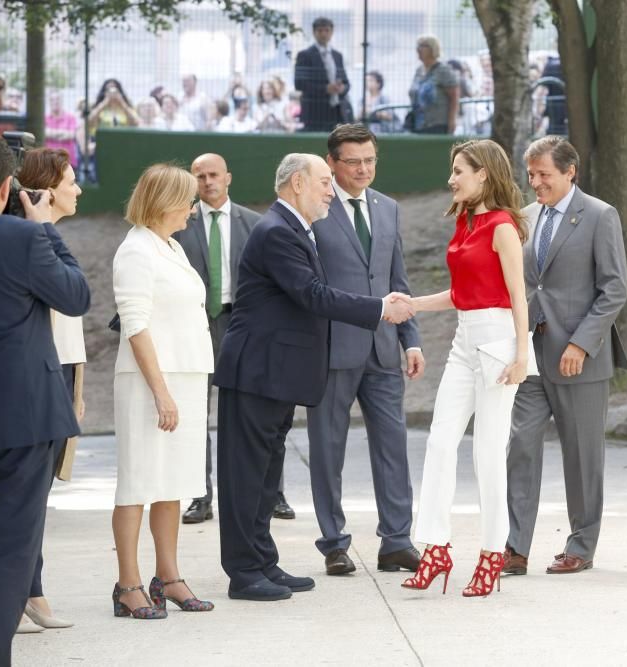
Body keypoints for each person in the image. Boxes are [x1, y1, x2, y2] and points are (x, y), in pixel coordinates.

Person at [212, 153, 414, 601]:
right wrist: (379, 308)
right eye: (324, 182)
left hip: (276, 375)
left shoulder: (292, 228)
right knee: (246, 476)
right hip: (257, 372)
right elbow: (312, 295)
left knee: (265, 476)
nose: (331, 190)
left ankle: (263, 561)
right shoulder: (276, 231)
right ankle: (244, 572)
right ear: (298, 183)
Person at [0, 132, 90, 665]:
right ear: (6, 186)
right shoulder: (21, 239)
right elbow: (75, 296)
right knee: (7, 553)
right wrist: (43, 230)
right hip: (18, 418)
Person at [402, 139, 530, 598]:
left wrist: (522, 357)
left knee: (487, 454)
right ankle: (436, 547)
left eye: (459, 171)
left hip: (499, 341)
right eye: (453, 170)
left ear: (484, 175)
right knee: (439, 443)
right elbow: (460, 294)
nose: (452, 178)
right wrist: (411, 304)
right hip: (464, 338)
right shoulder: (463, 221)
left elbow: (518, 295)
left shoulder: (502, 227)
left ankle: (493, 553)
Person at [501, 136, 627, 577]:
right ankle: (515, 546)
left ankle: (581, 545)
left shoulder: (599, 215)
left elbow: (614, 289)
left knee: (582, 456)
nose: (535, 183)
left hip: (580, 358)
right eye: (531, 174)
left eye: (544, 175)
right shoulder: (525, 217)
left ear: (570, 171)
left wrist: (581, 343)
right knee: (519, 447)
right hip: (532, 356)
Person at [307, 124, 424, 576]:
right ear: (332, 162)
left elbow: (399, 282)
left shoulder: (388, 208)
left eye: (370, 159)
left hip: (383, 350)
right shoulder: (317, 207)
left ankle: (396, 540)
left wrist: (410, 340)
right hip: (332, 348)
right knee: (327, 448)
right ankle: (334, 543)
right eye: (353, 161)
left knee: (393, 446)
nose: (363, 168)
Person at [111, 164, 216, 619]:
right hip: (150, 382)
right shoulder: (135, 250)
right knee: (138, 482)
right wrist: (160, 392)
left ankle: (168, 577)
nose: (194, 208)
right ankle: (128, 584)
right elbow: (136, 325)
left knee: (172, 482)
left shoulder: (169, 246)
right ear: (165, 202)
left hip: (186, 377)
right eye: (187, 200)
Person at [12, 148, 85, 633]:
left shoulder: (49, 237)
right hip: (39, 375)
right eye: (72, 180)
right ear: (46, 190)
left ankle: (30, 591)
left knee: (38, 497)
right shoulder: (29, 240)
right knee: (23, 494)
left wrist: (77, 387)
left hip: (62, 370)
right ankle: (19, 593)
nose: (78, 188)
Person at [170, 154, 259, 525]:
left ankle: (268, 495)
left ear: (228, 177)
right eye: (200, 176)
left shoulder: (253, 223)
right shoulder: (179, 224)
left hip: (241, 326)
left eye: (214, 175)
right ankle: (200, 496)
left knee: (253, 414)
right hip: (197, 327)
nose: (208, 182)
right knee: (194, 414)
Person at [294, 17, 351, 133]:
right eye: (320, 31)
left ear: (332, 32)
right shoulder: (305, 55)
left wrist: (342, 88)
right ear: (314, 33)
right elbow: (299, 83)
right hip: (315, 111)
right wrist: (325, 89)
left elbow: (346, 82)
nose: (324, 34)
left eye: (327, 30)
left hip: (337, 111)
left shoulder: (337, 55)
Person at [408, 35, 460, 135]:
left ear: (433, 48)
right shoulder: (419, 70)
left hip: (437, 125)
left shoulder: (443, 70)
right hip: (417, 124)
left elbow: (454, 97)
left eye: (423, 45)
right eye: (418, 45)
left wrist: (452, 121)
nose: (418, 49)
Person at [44, 94, 80, 170]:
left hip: (68, 160)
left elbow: (72, 135)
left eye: (58, 99)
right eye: (52, 100)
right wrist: (63, 133)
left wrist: (51, 132)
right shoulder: (45, 118)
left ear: (62, 101)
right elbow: (44, 133)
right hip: (49, 160)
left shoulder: (71, 117)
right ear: (49, 102)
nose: (55, 102)